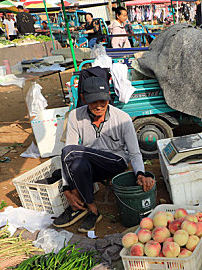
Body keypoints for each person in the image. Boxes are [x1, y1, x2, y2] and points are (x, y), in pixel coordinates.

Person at [53, 76, 154, 232]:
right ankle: (92, 210)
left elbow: (134, 153)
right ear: (83, 98)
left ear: (108, 97)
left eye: (103, 102)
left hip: (115, 162)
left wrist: (140, 173)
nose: (99, 106)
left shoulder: (123, 119)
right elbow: (69, 158)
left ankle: (78, 204)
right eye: (94, 102)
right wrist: (67, 189)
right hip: (90, 163)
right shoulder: (75, 116)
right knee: (77, 162)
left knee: (70, 151)